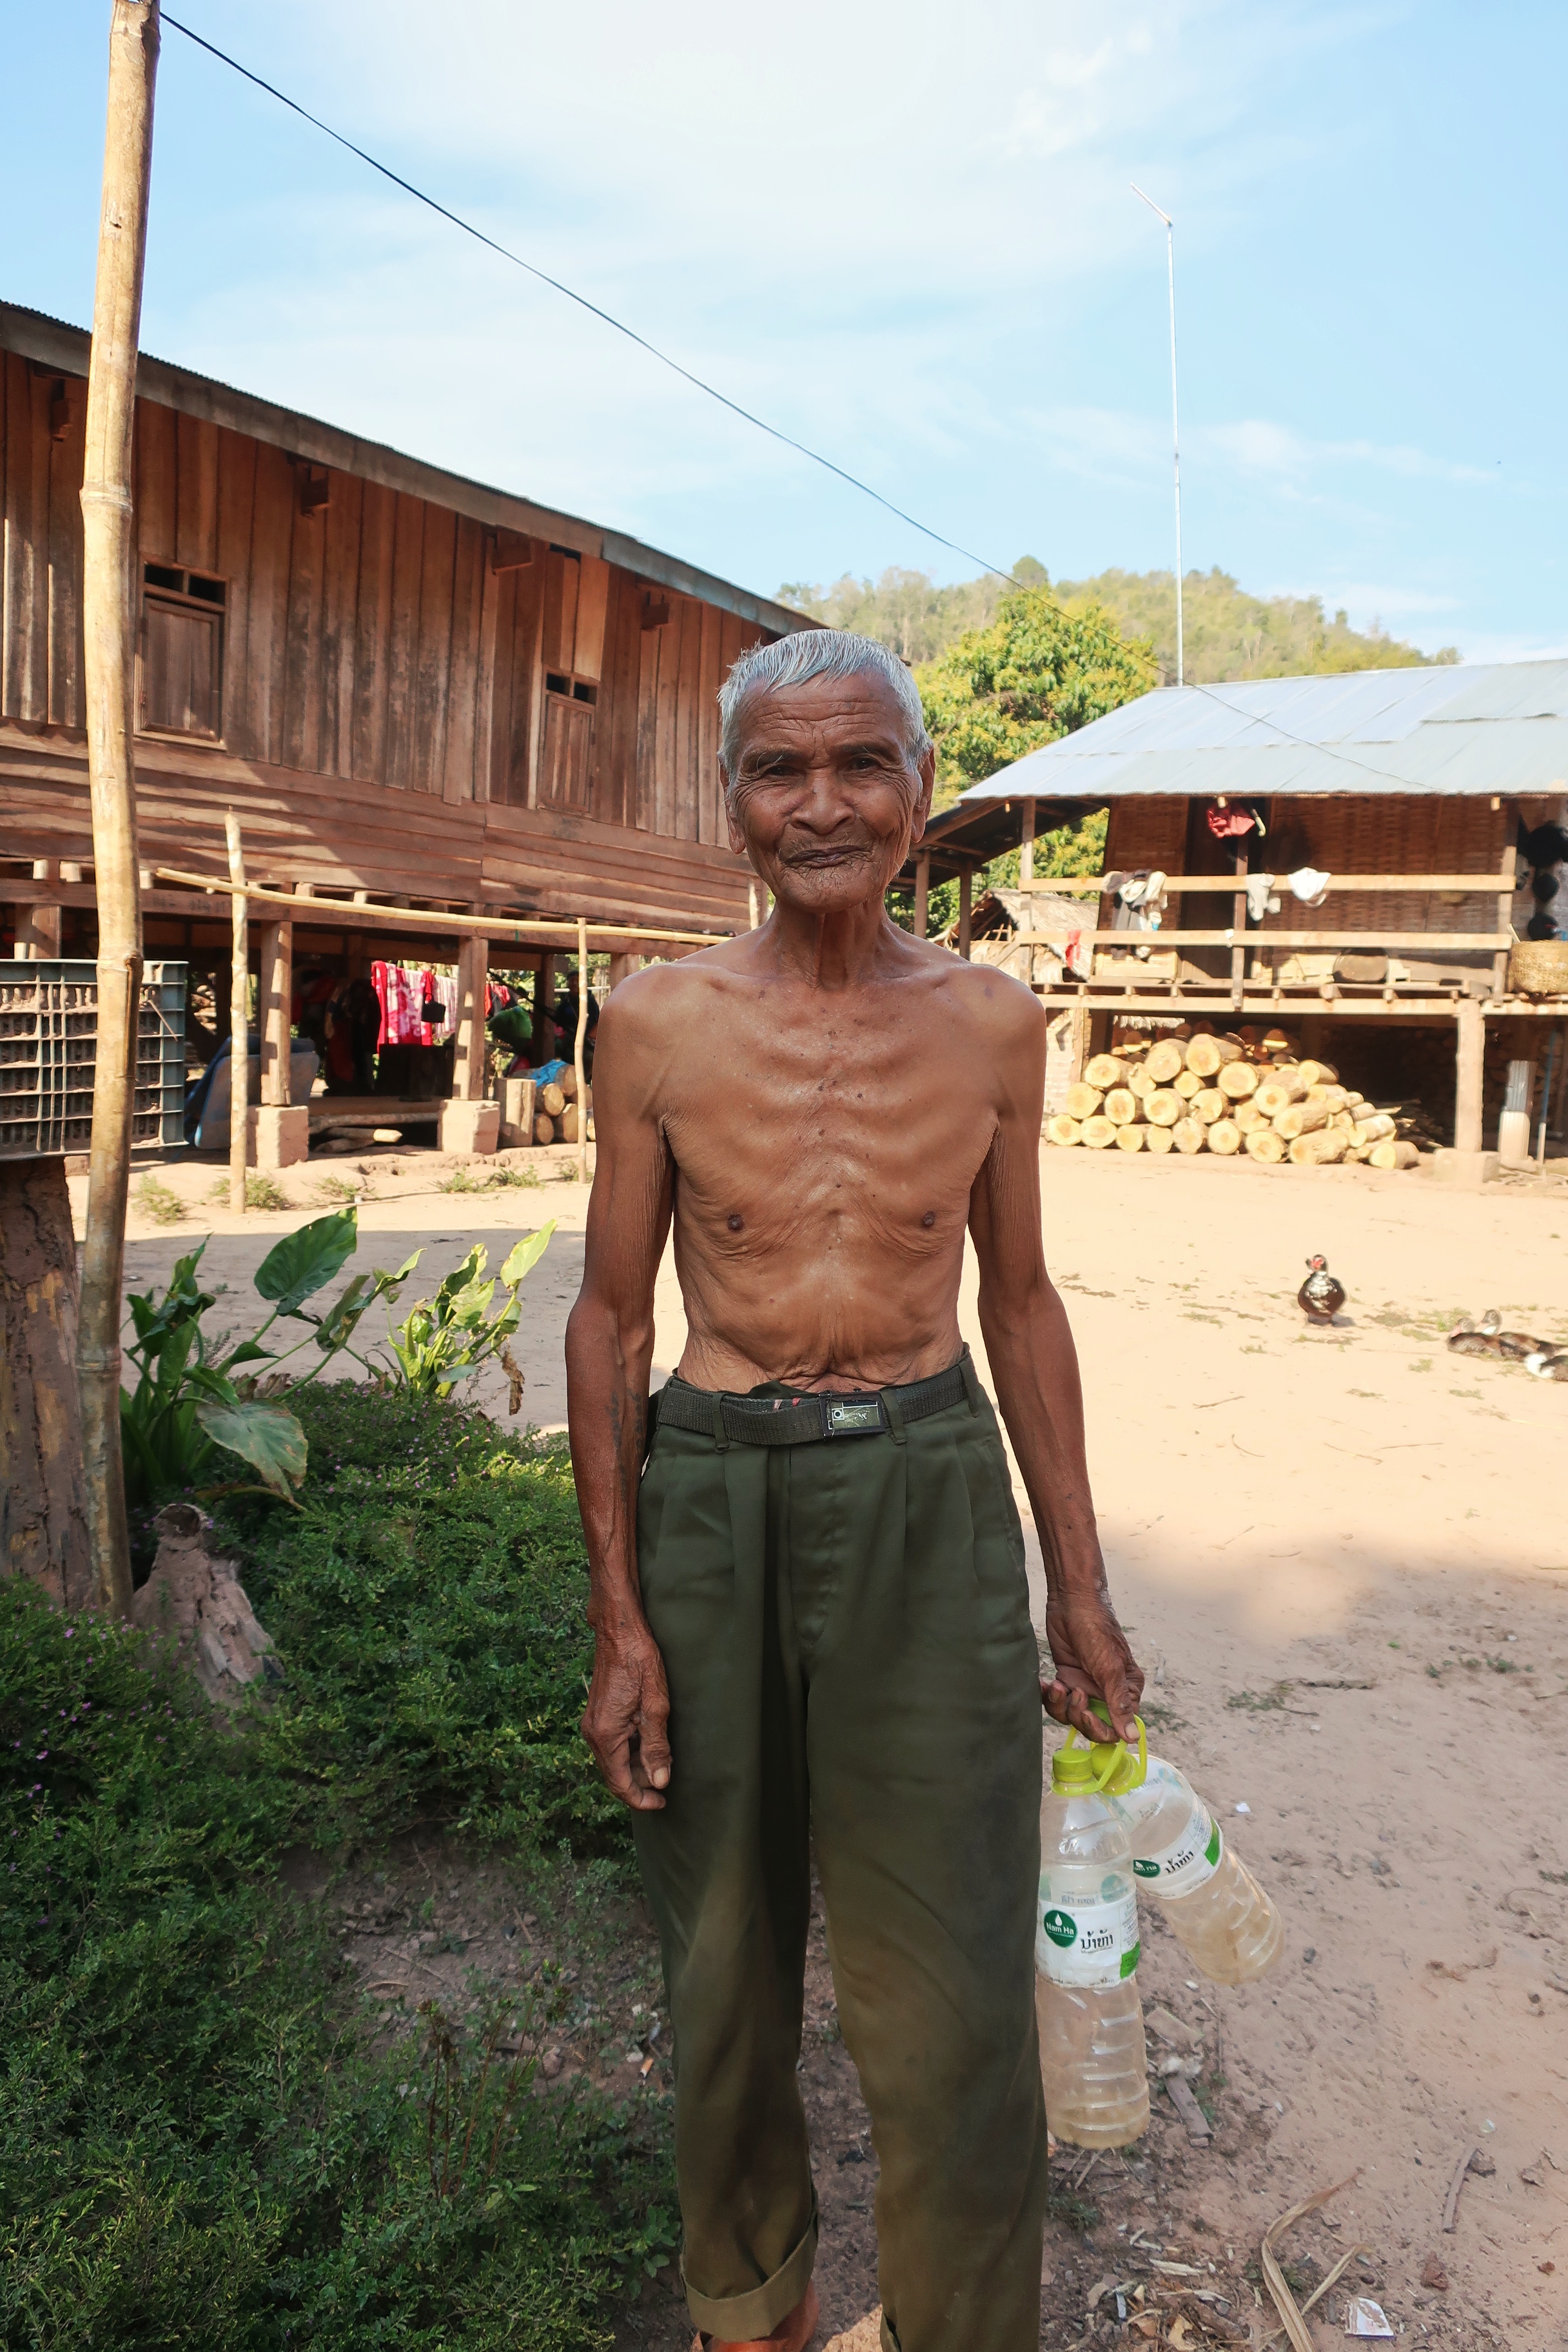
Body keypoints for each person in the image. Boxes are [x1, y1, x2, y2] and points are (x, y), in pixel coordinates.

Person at [565, 631, 1142, 2352]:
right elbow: (606, 1320)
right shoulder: (656, 1023)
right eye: (777, 769)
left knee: (954, 1983)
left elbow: (1020, 1303)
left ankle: (966, 2324)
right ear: (734, 799)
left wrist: (1081, 1588)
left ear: (918, 791)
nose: (820, 804)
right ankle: (755, 2307)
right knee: (723, 1962)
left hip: (929, 1488)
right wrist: (619, 1621)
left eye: (858, 764)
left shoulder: (993, 1027)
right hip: (715, 1500)